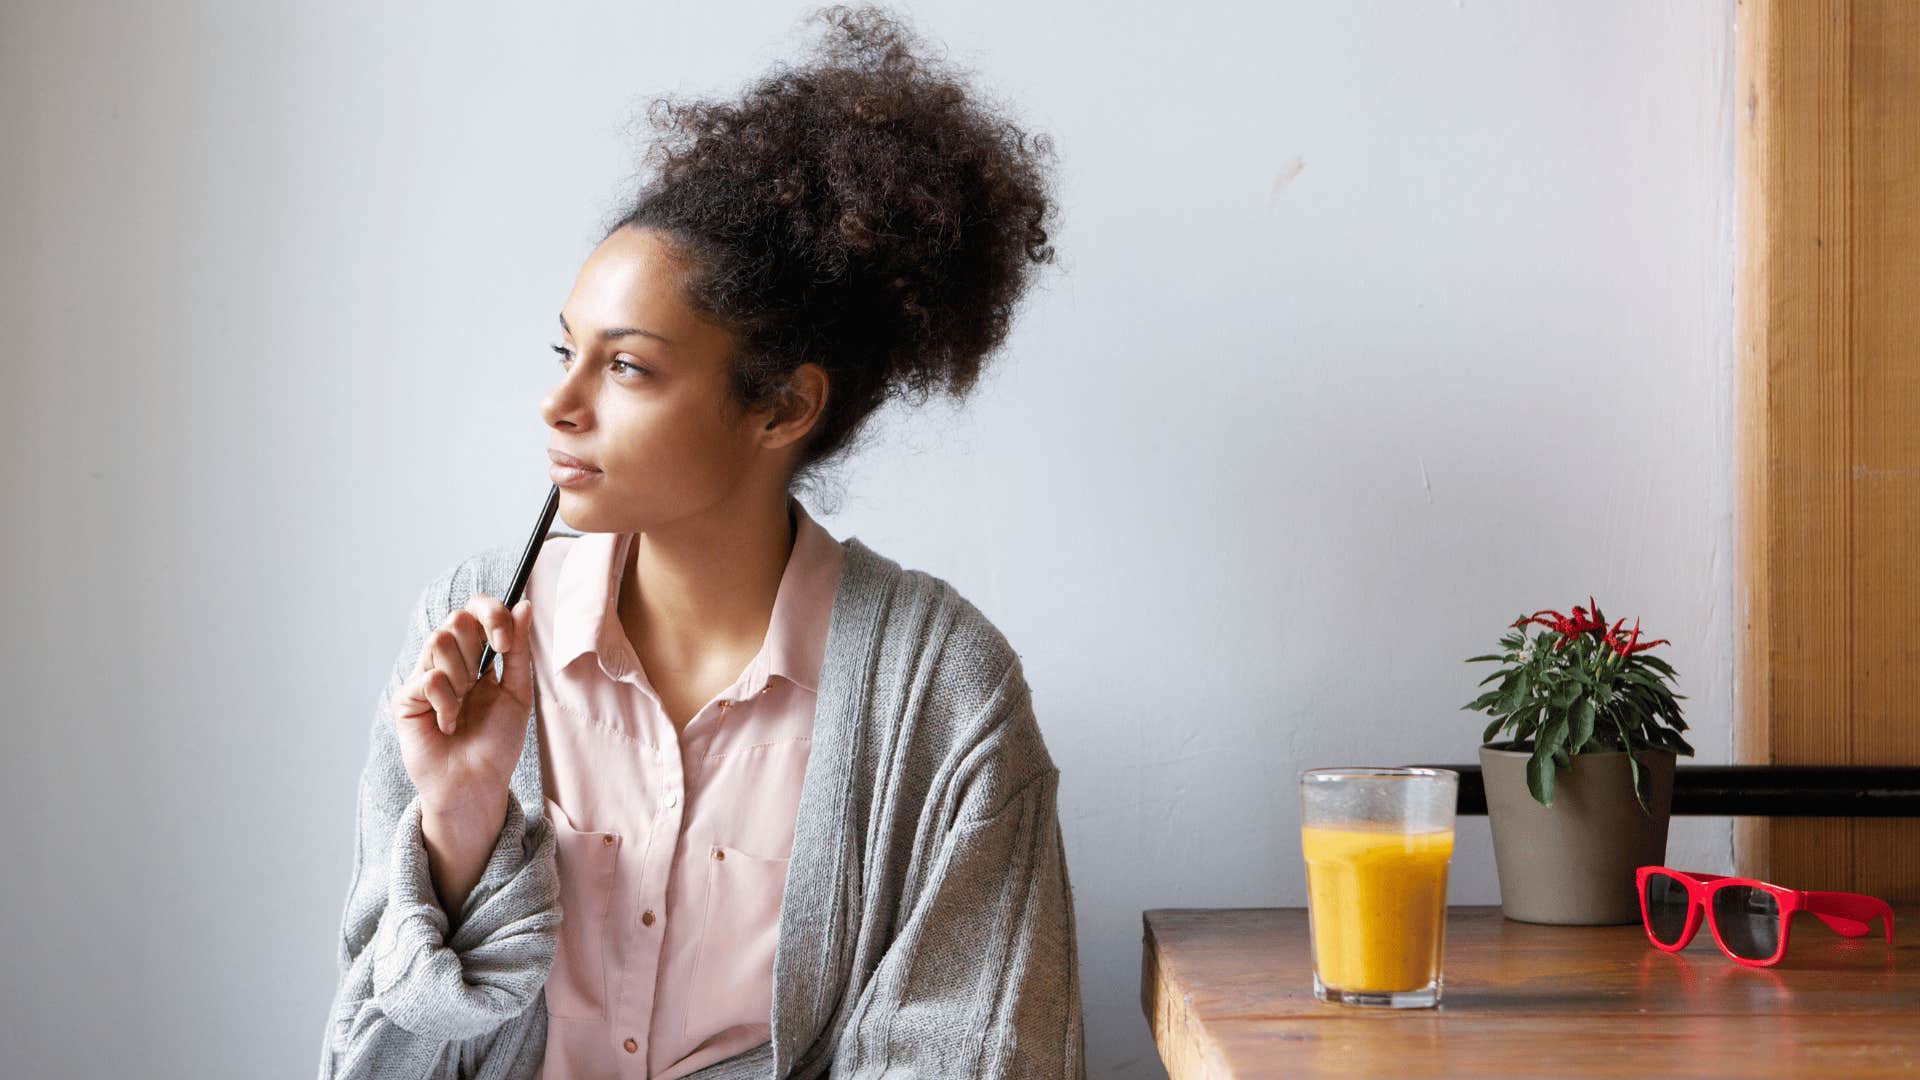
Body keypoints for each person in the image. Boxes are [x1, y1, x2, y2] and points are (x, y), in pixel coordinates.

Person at [316, 5, 1082, 1078]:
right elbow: (374, 1053)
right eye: (566, 352)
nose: (559, 404)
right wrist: (459, 825)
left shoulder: (942, 688)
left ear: (781, 407)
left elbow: (970, 1057)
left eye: (626, 367)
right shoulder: (473, 623)